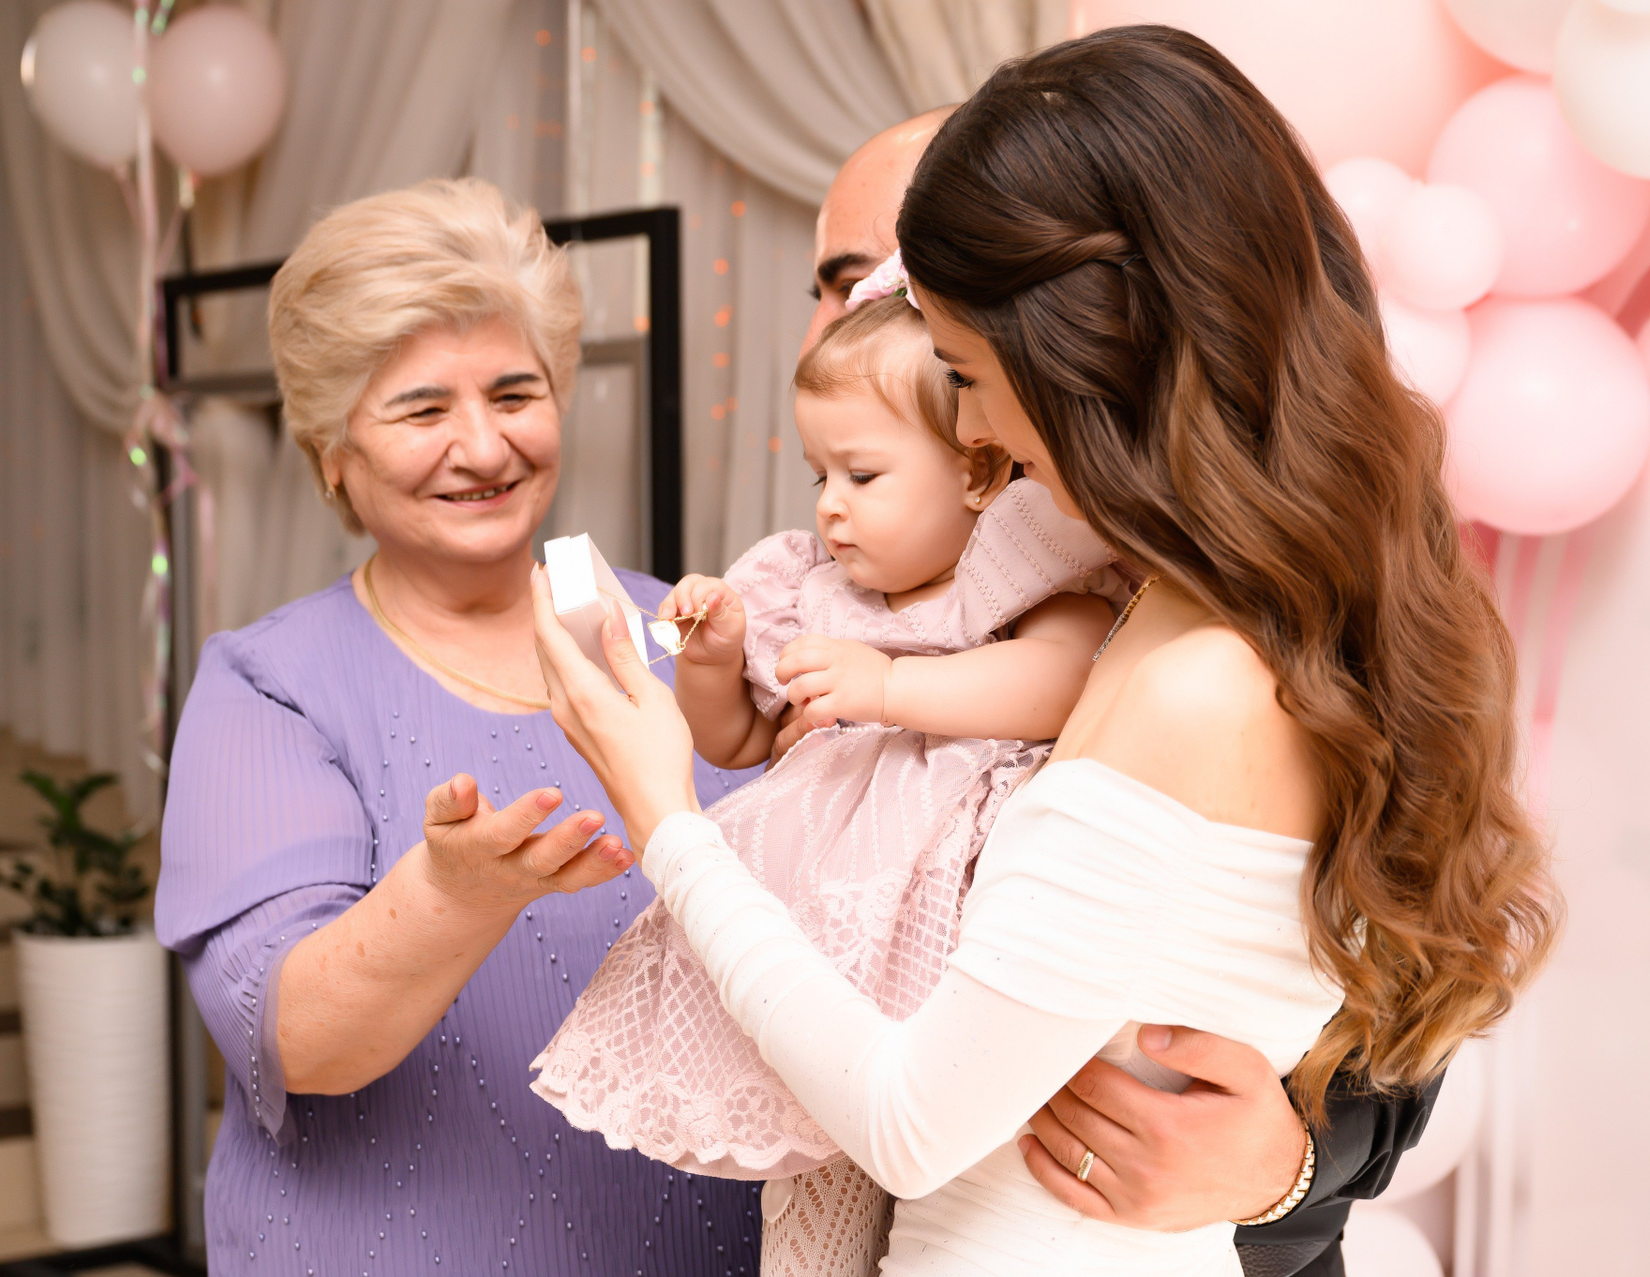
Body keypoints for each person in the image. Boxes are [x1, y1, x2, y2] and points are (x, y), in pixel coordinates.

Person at [528, 25, 1554, 1277]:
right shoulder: (1184, 611)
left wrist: (663, 813)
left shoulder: (1193, 679)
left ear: (1086, 353)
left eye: (960, 368)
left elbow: (910, 1121)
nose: (968, 425)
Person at [804, 101, 1453, 1277]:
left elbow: (1408, 977)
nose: (857, 318)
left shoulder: (1269, 614)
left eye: (894, 289)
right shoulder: (852, 555)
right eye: (837, 283)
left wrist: (1283, 1163)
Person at [156, 178, 771, 1275]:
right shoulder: (271, 686)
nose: (484, 448)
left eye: (514, 393)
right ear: (332, 449)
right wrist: (456, 894)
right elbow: (294, 1041)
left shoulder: (693, 636)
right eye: (423, 409)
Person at [531, 293, 1119, 1273]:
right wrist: (711, 659)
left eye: (863, 474)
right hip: (823, 949)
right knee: (813, 1185)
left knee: (954, 1176)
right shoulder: (807, 587)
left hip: (955, 950)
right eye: (820, 474)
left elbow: (1068, 676)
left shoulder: (1018, 575)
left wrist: (889, 686)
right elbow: (736, 741)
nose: (830, 504)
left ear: (979, 470)